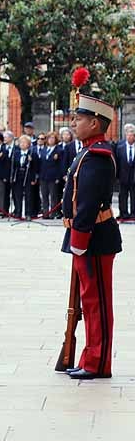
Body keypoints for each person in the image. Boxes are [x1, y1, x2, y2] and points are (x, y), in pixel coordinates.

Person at [60, 88, 122, 380]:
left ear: (95, 123)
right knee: (89, 301)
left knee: (97, 302)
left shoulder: (97, 155)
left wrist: (79, 242)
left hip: (93, 236)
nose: (74, 123)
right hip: (88, 234)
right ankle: (89, 356)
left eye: (79, 118)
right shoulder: (87, 152)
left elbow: (86, 202)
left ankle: (98, 362)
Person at [10, 134, 39, 218]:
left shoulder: (32, 153)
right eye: (21, 142)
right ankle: (18, 212)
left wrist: (31, 161)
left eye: (24, 142)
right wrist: (12, 177)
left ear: (28, 144)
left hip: (28, 176)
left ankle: (28, 213)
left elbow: (36, 167)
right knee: (17, 195)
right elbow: (13, 166)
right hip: (18, 176)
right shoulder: (16, 153)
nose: (22, 144)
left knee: (29, 195)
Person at [39, 131, 65, 218]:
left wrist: (59, 177)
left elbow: (61, 165)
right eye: (49, 138)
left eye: (53, 138)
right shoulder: (43, 149)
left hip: (53, 177)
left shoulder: (59, 150)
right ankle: (45, 213)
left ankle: (53, 213)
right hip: (43, 176)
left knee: (53, 196)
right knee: (44, 195)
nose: (50, 140)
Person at [115, 124, 135, 219]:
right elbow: (117, 161)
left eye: (132, 134)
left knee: (134, 195)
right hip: (123, 175)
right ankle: (123, 213)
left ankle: (133, 213)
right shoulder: (119, 146)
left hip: (134, 176)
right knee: (122, 196)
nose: (130, 136)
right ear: (126, 135)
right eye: (128, 134)